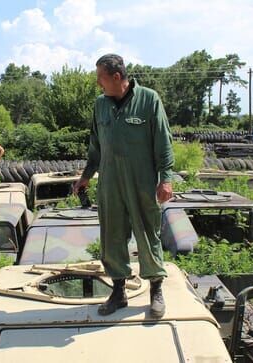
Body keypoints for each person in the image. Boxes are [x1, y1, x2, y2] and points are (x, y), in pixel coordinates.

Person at [73, 54, 174, 318]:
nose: (98, 84)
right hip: (109, 182)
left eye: (101, 78)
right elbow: (95, 145)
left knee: (147, 234)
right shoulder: (100, 105)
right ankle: (118, 292)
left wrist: (166, 179)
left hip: (142, 181)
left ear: (117, 77)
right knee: (112, 236)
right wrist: (86, 175)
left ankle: (156, 290)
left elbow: (163, 142)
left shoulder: (148, 100)